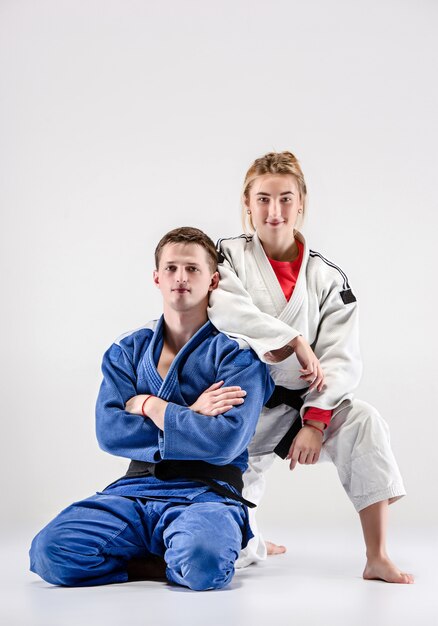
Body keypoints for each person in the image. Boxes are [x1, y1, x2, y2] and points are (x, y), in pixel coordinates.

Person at [29, 226, 276, 591]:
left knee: (204, 565)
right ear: (156, 277)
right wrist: (191, 413)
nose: (181, 277)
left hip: (206, 494)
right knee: (50, 553)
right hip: (134, 490)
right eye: (172, 268)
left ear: (213, 280)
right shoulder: (127, 350)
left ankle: (194, 549)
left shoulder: (239, 355)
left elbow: (225, 441)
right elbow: (110, 430)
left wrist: (151, 405)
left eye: (193, 269)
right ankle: (166, 561)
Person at [208, 151, 414, 584]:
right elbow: (226, 309)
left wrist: (317, 421)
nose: (274, 211)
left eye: (286, 199)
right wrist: (292, 340)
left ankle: (376, 555)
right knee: (235, 555)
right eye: (263, 199)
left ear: (301, 203)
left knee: (363, 423)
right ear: (247, 203)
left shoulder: (326, 278)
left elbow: (341, 355)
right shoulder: (225, 257)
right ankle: (252, 539)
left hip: (299, 411)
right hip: (236, 410)